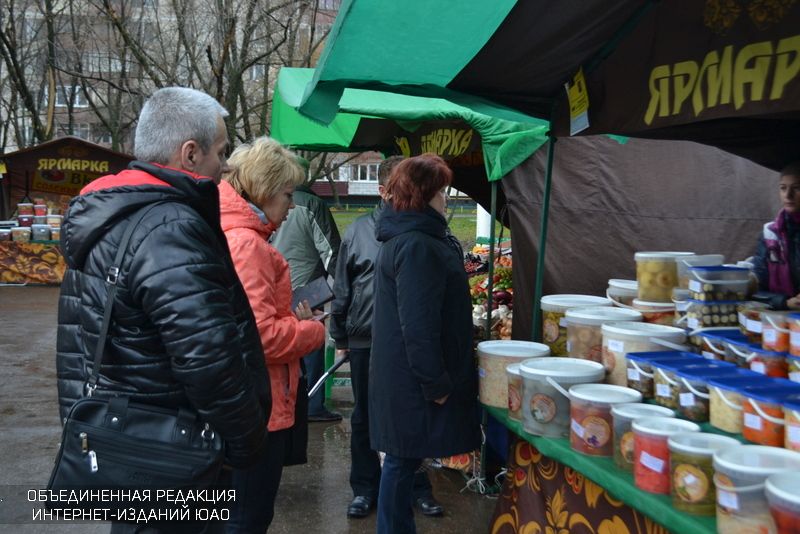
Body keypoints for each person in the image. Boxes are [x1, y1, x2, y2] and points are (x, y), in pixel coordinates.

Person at [55, 87, 271, 533]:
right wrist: (246, 443)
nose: (225, 165)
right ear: (190, 154)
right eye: (220, 151)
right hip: (174, 453)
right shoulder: (169, 226)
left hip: (135, 446)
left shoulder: (116, 213)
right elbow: (207, 358)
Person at [219, 137, 326, 532]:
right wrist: (311, 330)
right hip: (258, 407)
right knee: (247, 517)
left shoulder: (237, 235)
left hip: (249, 402)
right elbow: (260, 337)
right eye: (287, 194)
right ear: (264, 190)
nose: (291, 205)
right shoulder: (248, 245)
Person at [369, 154, 480, 534]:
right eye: (441, 191)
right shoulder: (417, 245)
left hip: (405, 377)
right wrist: (436, 384)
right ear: (425, 195)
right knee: (401, 462)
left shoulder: (415, 238)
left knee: (403, 460)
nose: (445, 199)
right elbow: (417, 326)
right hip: (413, 381)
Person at [331, 156, 445, 520]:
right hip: (365, 338)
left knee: (412, 418)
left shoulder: (426, 231)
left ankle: (419, 488)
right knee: (365, 417)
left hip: (405, 341)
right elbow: (342, 286)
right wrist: (339, 335)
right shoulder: (358, 231)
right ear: (383, 191)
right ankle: (365, 488)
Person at [272, 180, 342, 422]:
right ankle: (312, 404)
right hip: (307, 288)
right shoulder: (312, 203)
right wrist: (342, 287)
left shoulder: (265, 196)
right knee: (311, 343)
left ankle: (287, 402)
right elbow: (331, 251)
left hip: (273, 285)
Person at [753, 162, 800, 310]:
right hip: (781, 318)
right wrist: (784, 302)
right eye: (783, 188)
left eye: (797, 188)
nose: (788, 195)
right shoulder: (770, 235)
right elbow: (756, 290)